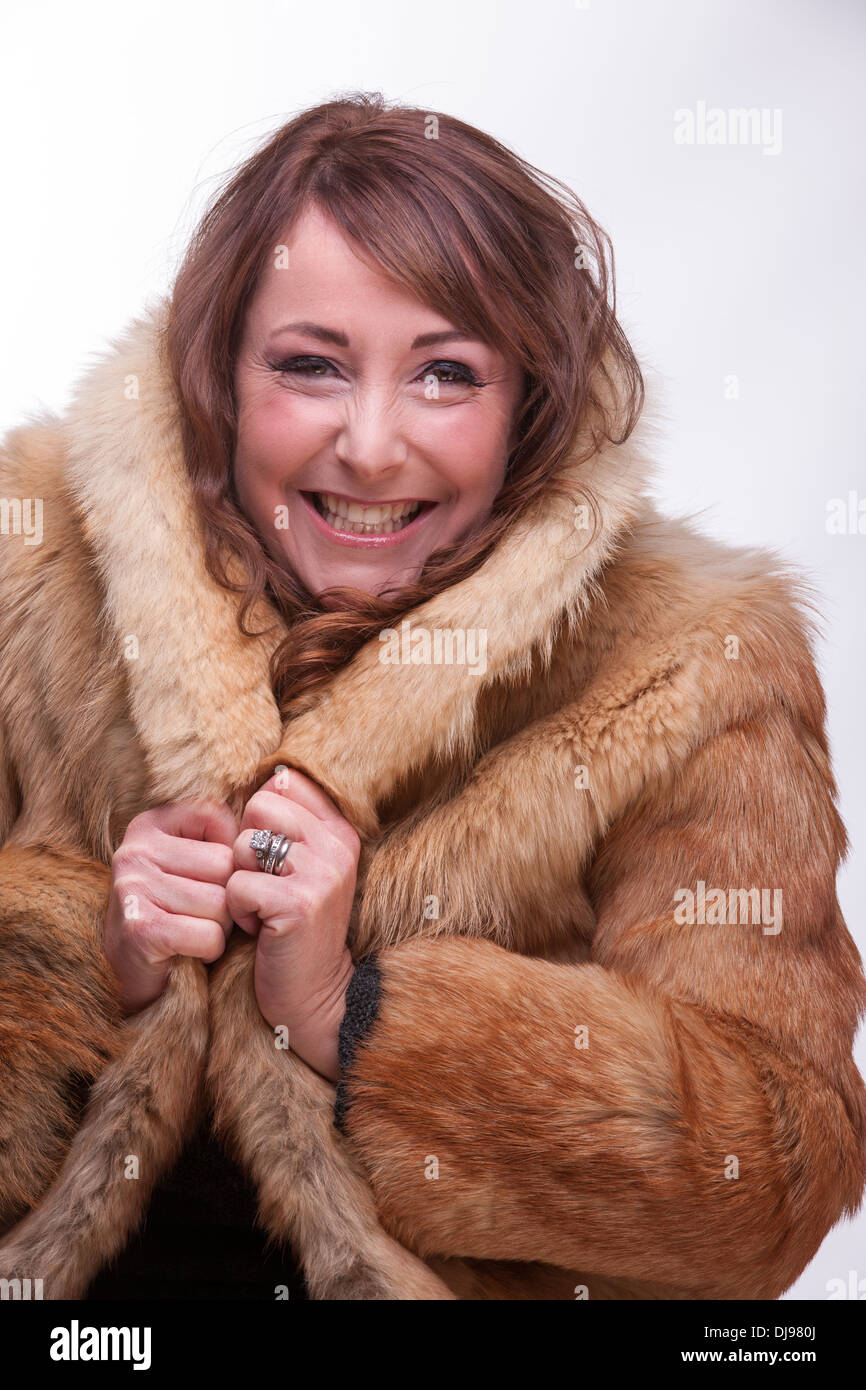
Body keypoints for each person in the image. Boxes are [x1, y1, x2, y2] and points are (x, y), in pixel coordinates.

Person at [1, 91, 864, 1301]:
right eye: (309, 366)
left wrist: (351, 1017)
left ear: (529, 402)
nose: (367, 444)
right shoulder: (36, 562)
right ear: (216, 376)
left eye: (445, 375)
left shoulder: (692, 661)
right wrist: (95, 967)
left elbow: (770, 1174)